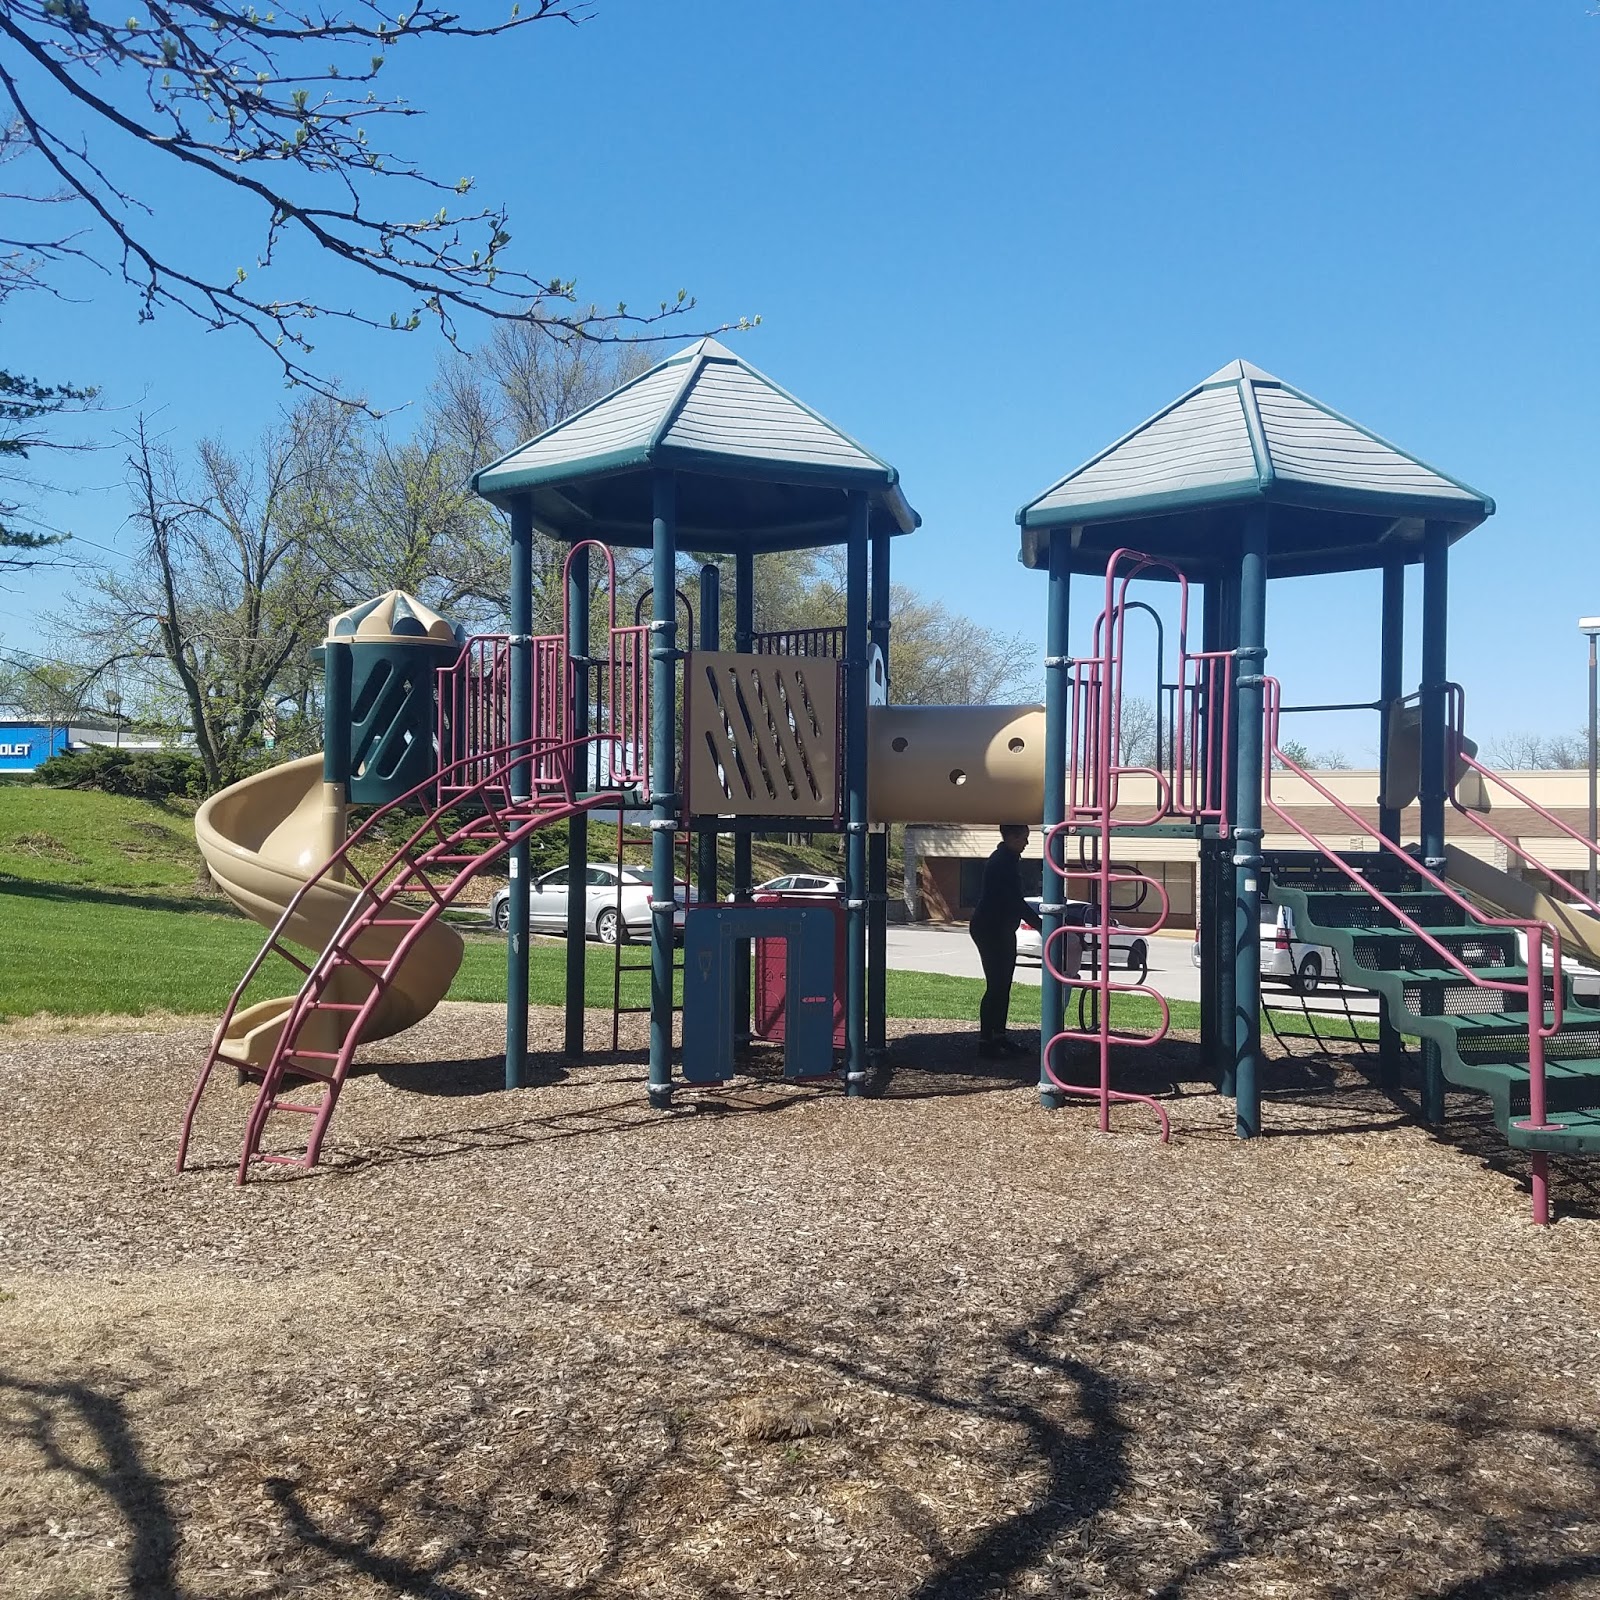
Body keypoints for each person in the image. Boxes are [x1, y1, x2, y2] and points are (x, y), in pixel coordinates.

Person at [969, 823, 1042, 1058]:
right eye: (1023, 837)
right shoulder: (1001, 862)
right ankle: (986, 1041)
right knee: (996, 985)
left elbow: (1014, 901)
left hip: (1000, 928)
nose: (1026, 842)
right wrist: (1041, 925)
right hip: (990, 928)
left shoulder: (1007, 860)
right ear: (1010, 837)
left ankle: (998, 1036)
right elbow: (1014, 901)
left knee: (1003, 985)